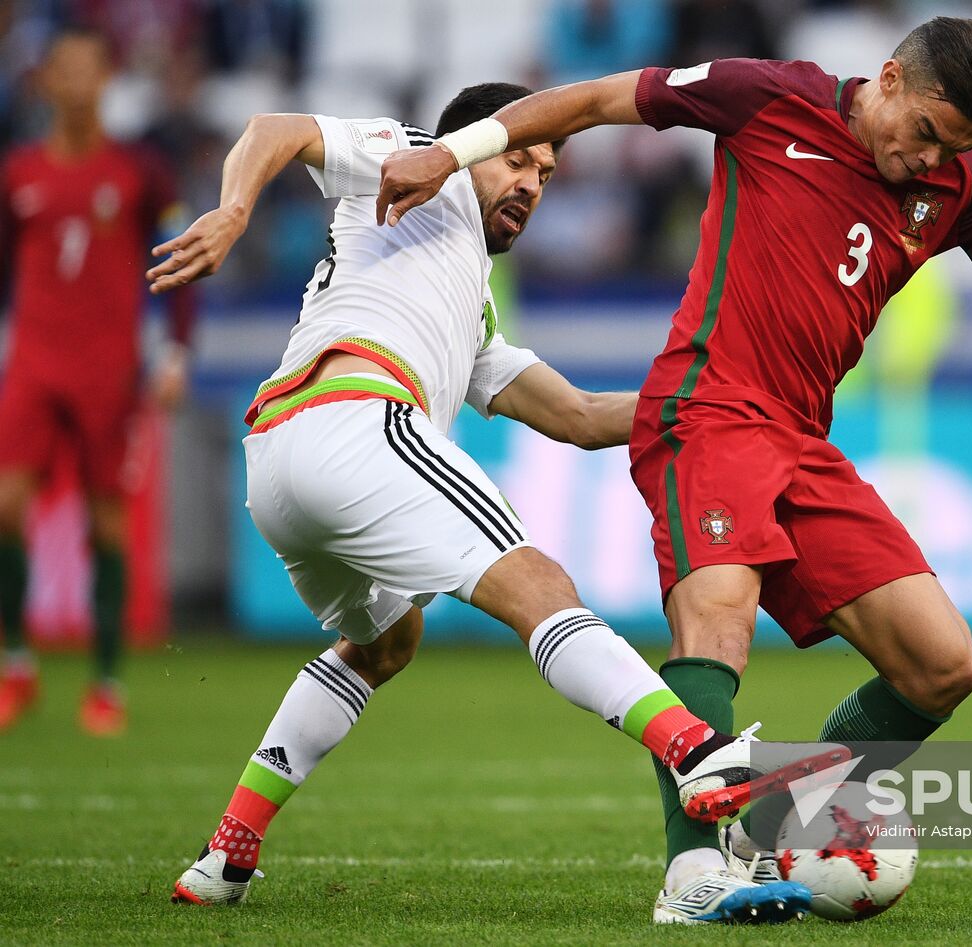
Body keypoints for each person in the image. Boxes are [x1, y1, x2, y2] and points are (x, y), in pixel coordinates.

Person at [375, 16, 972, 926]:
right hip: (709, 406)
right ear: (892, 79)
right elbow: (587, 101)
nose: (931, 161)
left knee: (942, 664)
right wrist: (453, 153)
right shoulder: (764, 98)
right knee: (718, 620)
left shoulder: (964, 182)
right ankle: (693, 876)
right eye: (924, 134)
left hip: (803, 437)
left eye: (956, 147)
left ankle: (785, 813)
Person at [147, 82, 841, 921]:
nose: (532, 183)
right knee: (538, 584)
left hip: (283, 465)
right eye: (518, 157)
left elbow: (579, 416)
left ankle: (227, 852)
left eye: (546, 173)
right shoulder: (412, 161)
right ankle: (700, 752)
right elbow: (274, 127)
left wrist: (717, 406)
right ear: (472, 143)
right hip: (359, 423)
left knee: (384, 642)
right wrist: (232, 212)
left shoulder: (467, 307)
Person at [0, 28, 195, 736]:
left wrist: (174, 351)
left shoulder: (141, 173)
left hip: (108, 370)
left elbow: (181, 263)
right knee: (5, 505)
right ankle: (17, 665)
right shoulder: (18, 173)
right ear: (46, 83)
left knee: (105, 519)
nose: (78, 84)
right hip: (32, 362)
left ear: (106, 80)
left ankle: (105, 683)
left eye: (89, 71)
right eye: (65, 72)